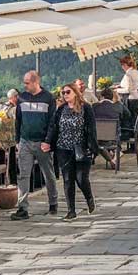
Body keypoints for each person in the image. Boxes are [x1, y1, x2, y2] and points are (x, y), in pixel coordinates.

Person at [42, 83, 99, 220]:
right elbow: (53, 127)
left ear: (75, 92)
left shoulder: (86, 108)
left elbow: (91, 129)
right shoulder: (61, 109)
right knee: (68, 180)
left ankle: (89, 198)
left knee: (81, 179)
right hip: (63, 149)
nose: (65, 95)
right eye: (63, 93)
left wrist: (93, 148)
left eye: (68, 92)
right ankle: (71, 210)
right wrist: (48, 141)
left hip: (80, 148)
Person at [11, 70, 58, 220]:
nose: (24, 86)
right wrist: (17, 140)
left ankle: (53, 203)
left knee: (48, 174)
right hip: (25, 142)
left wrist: (48, 141)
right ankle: (22, 208)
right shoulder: (22, 98)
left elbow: (52, 122)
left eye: (27, 83)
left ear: (35, 82)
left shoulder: (48, 98)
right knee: (23, 175)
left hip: (42, 142)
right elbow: (18, 120)